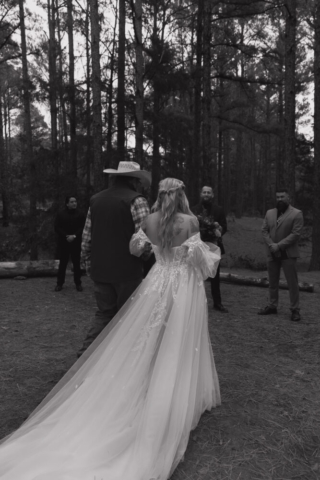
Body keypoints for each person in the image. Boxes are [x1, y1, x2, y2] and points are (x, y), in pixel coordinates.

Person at [0, 178, 221, 480]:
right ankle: (170, 393)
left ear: (160, 195)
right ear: (182, 194)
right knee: (178, 339)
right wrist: (207, 250)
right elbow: (198, 261)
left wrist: (157, 252)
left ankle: (147, 384)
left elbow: (135, 246)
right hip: (182, 287)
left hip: (156, 283)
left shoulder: (152, 219)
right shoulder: (191, 221)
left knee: (149, 337)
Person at [78, 161, 152, 356]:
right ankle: (123, 358)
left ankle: (86, 355)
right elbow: (144, 238)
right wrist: (145, 257)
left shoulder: (96, 200)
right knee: (128, 315)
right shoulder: (137, 200)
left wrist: (87, 263)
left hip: (100, 269)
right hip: (127, 270)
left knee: (104, 313)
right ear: (134, 180)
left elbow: (87, 237)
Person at [258, 187, 304, 322]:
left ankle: (295, 309)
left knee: (292, 283)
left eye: (282, 197)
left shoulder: (296, 213)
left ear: (288, 198)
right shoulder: (270, 213)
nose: (279, 199)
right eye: (277, 197)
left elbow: (295, 234)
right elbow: (264, 230)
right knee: (272, 281)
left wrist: (279, 245)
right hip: (272, 253)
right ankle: (272, 306)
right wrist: (272, 245)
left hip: (288, 253)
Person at [192, 185, 228, 312]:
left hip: (213, 246)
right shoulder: (194, 209)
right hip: (198, 246)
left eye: (208, 192)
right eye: (204, 192)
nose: (206, 194)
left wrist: (216, 233)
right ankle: (194, 301)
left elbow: (224, 226)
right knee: (195, 274)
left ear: (212, 195)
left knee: (215, 276)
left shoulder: (219, 210)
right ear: (201, 194)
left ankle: (217, 303)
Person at [54, 195, 86, 292]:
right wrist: (66, 236)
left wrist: (74, 236)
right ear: (67, 204)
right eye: (72, 202)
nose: (74, 203)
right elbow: (57, 227)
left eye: (75, 201)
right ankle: (59, 283)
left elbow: (82, 227)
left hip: (76, 242)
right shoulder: (60, 214)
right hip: (64, 242)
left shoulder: (80, 214)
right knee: (63, 263)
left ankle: (78, 283)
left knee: (76, 263)